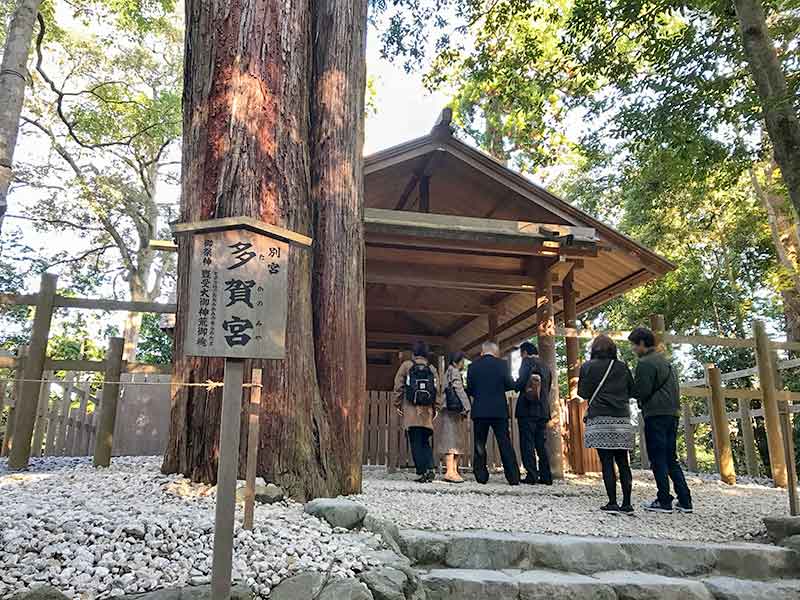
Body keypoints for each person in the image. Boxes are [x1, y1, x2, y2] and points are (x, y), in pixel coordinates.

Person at [629, 327, 693, 514]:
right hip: (672, 413)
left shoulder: (646, 363)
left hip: (655, 413)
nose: (633, 349)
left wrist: (629, 388)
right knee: (670, 457)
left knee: (657, 458)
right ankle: (685, 499)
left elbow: (641, 391)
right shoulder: (667, 363)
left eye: (634, 344)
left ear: (642, 343)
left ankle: (664, 499)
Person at [578, 335, 636, 514]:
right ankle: (627, 503)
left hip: (600, 418)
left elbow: (583, 392)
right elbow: (632, 390)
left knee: (606, 462)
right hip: (621, 418)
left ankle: (612, 501)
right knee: (623, 461)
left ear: (594, 350)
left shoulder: (587, 367)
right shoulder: (622, 367)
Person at [466, 341, 520, 485]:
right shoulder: (502, 365)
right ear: (496, 352)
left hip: (480, 410)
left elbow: (470, 389)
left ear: (482, 352)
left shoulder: (472, 367)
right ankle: (513, 477)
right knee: (504, 443)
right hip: (499, 410)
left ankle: (481, 476)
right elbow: (510, 385)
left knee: (479, 444)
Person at [394, 341, 441, 483]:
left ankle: (422, 472)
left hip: (411, 410)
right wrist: (436, 407)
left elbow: (399, 386)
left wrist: (397, 404)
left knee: (415, 442)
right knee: (425, 441)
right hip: (427, 412)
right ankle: (430, 468)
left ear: (413, 353)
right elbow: (437, 389)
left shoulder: (407, 366)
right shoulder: (431, 368)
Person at [514, 342, 553, 485]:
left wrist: (514, 384)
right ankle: (546, 476)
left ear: (524, 352)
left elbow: (520, 384)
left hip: (527, 409)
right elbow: (547, 388)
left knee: (527, 443)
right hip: (543, 410)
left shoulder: (527, 363)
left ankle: (532, 475)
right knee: (541, 444)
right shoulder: (546, 365)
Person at [435, 351, 471, 483]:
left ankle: (453, 470)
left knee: (454, 440)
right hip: (453, 412)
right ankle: (450, 471)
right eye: (462, 361)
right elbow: (459, 389)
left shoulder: (447, 372)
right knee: (451, 441)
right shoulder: (454, 372)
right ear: (458, 361)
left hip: (449, 410)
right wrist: (467, 406)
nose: (463, 364)